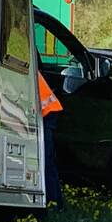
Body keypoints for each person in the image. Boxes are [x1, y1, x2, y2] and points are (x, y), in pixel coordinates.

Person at [38, 71, 65, 209]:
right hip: (49, 110)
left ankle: (54, 204)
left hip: (47, 112)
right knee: (48, 162)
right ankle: (56, 204)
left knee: (46, 162)